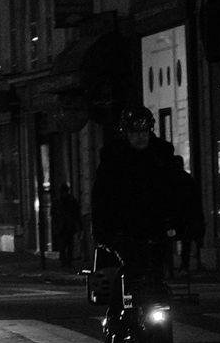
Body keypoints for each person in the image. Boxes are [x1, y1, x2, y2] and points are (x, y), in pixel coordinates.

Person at [86, 106, 203, 310]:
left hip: (156, 226)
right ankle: (118, 317)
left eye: (144, 131)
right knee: (131, 269)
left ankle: (156, 313)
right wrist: (103, 231)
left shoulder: (162, 156)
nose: (140, 137)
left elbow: (183, 189)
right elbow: (101, 197)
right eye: (134, 132)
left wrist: (191, 223)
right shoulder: (114, 159)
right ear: (126, 134)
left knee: (156, 272)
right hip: (124, 229)